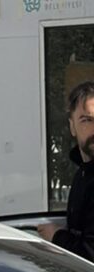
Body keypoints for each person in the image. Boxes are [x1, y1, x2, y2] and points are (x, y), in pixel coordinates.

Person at [39, 80, 94, 259]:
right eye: (87, 120)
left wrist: (56, 236)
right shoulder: (83, 174)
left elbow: (90, 254)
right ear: (72, 126)